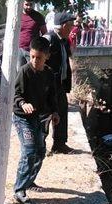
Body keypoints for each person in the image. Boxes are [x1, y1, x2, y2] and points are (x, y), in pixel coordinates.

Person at [12, 37, 59, 204]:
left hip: (39, 117)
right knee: (30, 151)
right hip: (22, 117)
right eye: (31, 56)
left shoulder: (49, 74)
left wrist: (54, 112)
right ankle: (19, 189)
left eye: (38, 57)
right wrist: (23, 104)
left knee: (40, 151)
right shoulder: (24, 71)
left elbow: (52, 96)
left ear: (46, 56)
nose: (34, 61)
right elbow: (14, 94)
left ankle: (29, 181)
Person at [44, 11, 76, 154]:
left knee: (62, 112)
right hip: (48, 86)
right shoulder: (49, 39)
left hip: (60, 85)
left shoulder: (63, 41)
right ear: (63, 26)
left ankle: (59, 144)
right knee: (45, 115)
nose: (72, 28)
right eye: (70, 25)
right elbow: (38, 61)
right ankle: (39, 145)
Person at [18, 0, 47, 68]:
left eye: (31, 5)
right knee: (20, 73)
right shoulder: (18, 15)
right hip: (19, 49)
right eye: (26, 4)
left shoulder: (38, 16)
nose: (29, 7)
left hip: (32, 51)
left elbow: (45, 34)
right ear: (22, 4)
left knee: (32, 72)